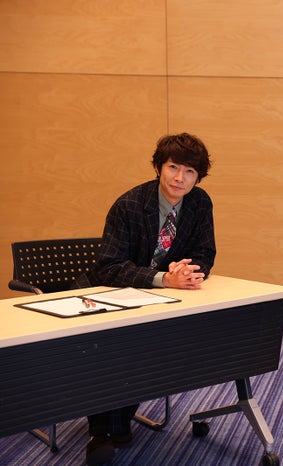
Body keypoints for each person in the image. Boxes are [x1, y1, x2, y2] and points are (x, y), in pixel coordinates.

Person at [79, 133, 216, 466]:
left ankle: (120, 420)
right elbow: (109, 267)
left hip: (156, 299)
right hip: (106, 294)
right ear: (158, 167)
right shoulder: (129, 205)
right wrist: (164, 279)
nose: (180, 178)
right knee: (114, 345)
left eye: (189, 172)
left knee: (148, 345)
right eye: (173, 167)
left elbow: (205, 252)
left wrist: (188, 271)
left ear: (198, 177)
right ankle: (103, 431)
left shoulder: (199, 203)